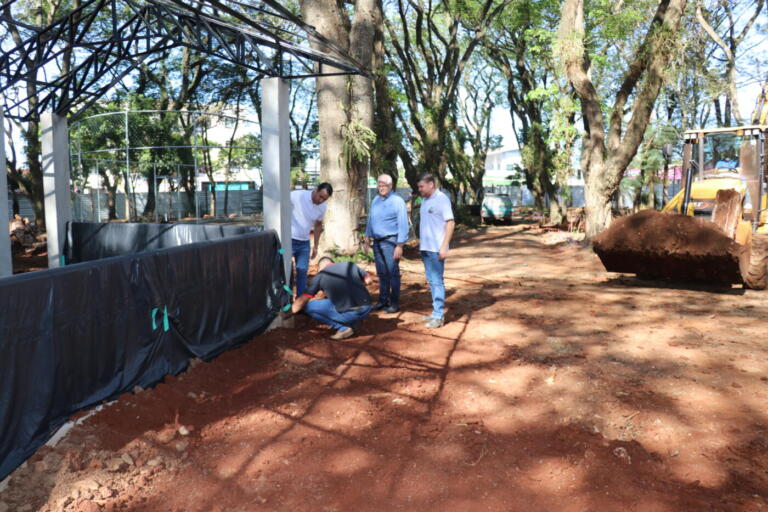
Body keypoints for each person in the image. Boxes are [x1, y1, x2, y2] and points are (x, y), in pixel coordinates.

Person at [291, 257, 373, 340]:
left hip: (350, 313)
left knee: (308, 307)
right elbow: (369, 281)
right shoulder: (349, 265)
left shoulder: (319, 276)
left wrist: (290, 312)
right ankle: (354, 322)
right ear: (333, 262)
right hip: (367, 308)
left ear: (319, 268)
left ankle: (343, 328)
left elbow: (302, 301)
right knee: (347, 304)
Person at [365, 173, 409, 314]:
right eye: (379, 185)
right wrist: (367, 237)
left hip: (390, 242)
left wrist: (400, 245)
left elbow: (403, 224)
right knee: (382, 273)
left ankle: (394, 303)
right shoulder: (376, 200)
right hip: (377, 242)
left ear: (390, 186)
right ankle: (383, 301)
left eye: (384, 185)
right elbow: (371, 220)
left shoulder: (397, 201)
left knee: (392, 273)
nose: (381, 187)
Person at [417, 173, 455, 328]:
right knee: (432, 281)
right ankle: (434, 313)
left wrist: (444, 245)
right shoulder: (425, 201)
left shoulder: (442, 199)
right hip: (426, 247)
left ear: (431, 184)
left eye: (421, 186)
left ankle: (439, 316)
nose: (419, 189)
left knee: (437, 281)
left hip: (436, 249)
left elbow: (450, 223)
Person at [291, 182, 332, 296]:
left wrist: (316, 246)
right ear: (316, 189)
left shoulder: (322, 207)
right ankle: (285, 302)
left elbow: (318, 226)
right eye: (320, 196)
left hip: (304, 243)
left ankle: (299, 302)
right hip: (288, 241)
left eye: (324, 199)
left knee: (302, 271)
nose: (321, 201)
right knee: (285, 271)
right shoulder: (297, 196)